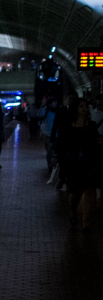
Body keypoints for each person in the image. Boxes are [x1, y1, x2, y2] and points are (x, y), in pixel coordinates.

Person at [57, 98, 97, 230]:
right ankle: (73, 211)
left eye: (85, 106)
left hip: (88, 163)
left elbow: (95, 144)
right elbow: (61, 146)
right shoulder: (67, 127)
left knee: (89, 190)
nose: (84, 109)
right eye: (81, 106)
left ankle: (86, 222)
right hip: (73, 164)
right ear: (75, 109)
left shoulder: (91, 126)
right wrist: (60, 160)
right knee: (76, 192)